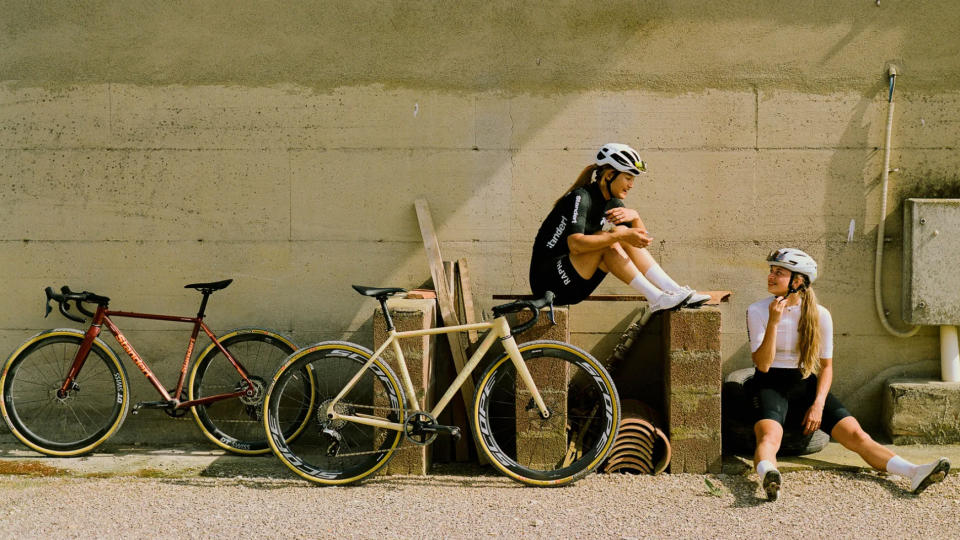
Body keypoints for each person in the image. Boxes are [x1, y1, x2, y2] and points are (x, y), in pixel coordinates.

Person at [747, 248, 950, 501]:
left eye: (779, 272)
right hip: (769, 384)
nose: (770, 276)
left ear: (797, 281)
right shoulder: (757, 310)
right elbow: (763, 365)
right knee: (770, 436)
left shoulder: (820, 315)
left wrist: (818, 405)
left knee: (858, 436)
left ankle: (915, 472)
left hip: (805, 383)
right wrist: (774, 322)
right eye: (771, 271)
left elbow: (827, 367)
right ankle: (769, 474)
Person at [529, 143, 710, 311]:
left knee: (620, 234)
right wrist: (619, 236)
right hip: (550, 282)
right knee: (613, 238)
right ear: (609, 175)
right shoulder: (581, 197)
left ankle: (674, 291)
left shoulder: (612, 202)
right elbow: (575, 246)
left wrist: (635, 217)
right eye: (628, 178)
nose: (631, 185)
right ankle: (656, 298)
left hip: (577, 283)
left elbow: (640, 242)